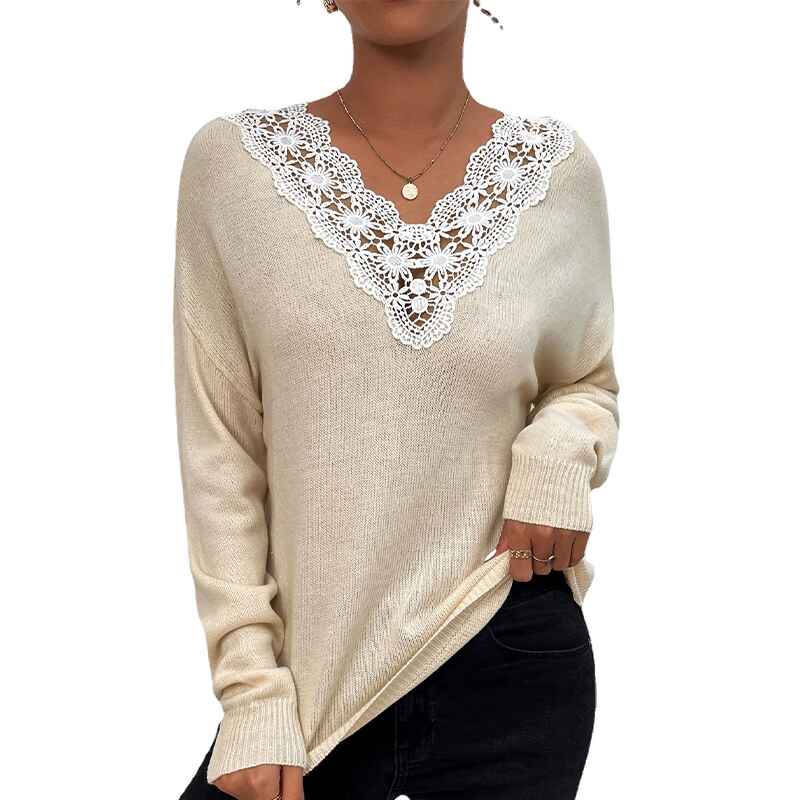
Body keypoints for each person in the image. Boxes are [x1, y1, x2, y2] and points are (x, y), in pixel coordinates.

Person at [173, 2, 620, 798]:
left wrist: (556, 453)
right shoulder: (232, 169)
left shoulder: (556, 171)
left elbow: (585, 379)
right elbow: (221, 449)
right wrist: (250, 694)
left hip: (508, 653)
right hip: (315, 690)